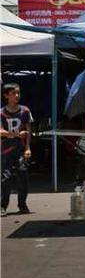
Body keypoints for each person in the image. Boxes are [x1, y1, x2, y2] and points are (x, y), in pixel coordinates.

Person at [1, 83, 34, 216]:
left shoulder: (25, 111)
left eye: (18, 93)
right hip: (5, 151)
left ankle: (22, 204)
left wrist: (28, 147)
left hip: (20, 149)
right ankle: (3, 205)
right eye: (13, 93)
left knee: (23, 175)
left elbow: (29, 131)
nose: (17, 96)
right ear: (6, 96)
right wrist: (14, 135)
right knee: (5, 177)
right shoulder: (1, 113)